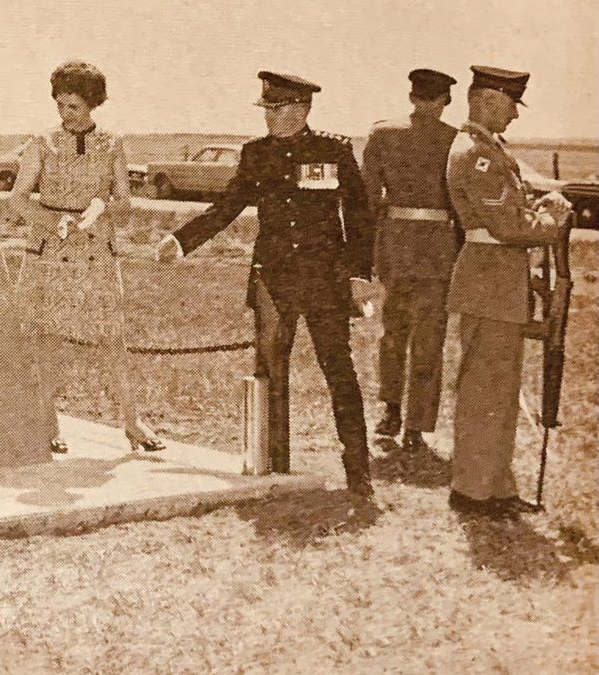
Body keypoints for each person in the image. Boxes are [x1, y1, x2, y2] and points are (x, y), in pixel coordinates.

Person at [156, 71, 376, 496]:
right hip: (274, 278)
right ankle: (273, 463)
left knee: (340, 372)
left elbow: (359, 217)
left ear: (301, 109)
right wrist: (182, 240)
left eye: (276, 109)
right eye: (267, 110)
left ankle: (358, 470)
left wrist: (358, 273)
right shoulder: (256, 155)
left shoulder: (333, 150)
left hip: (324, 280)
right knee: (270, 370)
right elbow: (229, 205)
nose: (268, 118)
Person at [10, 60, 164, 454]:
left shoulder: (112, 144)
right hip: (49, 254)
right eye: (60, 105)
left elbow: (125, 203)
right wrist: (54, 220)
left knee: (112, 338)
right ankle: (48, 423)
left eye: (74, 106)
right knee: (46, 340)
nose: (65, 114)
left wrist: (100, 211)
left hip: (96, 254)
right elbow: (19, 200)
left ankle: (132, 423)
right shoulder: (41, 143)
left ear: (93, 104)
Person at [445, 65, 571, 519]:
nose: (515, 115)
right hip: (489, 280)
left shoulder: (490, 149)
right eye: (510, 105)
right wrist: (552, 220)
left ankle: (493, 485)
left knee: (498, 390)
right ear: (487, 100)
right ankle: (473, 489)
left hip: (498, 281)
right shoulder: (477, 154)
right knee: (485, 390)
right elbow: (508, 225)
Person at [361, 69, 458, 451]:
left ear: (412, 95)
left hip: (395, 248)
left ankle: (390, 412)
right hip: (439, 251)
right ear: (444, 100)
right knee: (429, 339)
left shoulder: (382, 133)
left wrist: (370, 249)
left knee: (393, 332)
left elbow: (367, 200)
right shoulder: (456, 141)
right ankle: (416, 426)